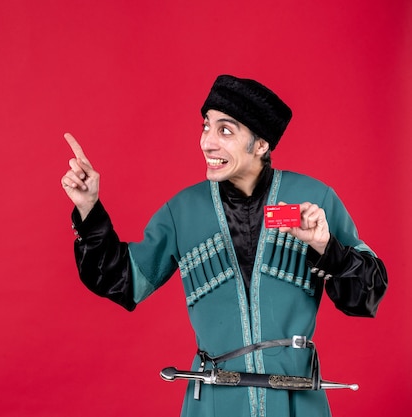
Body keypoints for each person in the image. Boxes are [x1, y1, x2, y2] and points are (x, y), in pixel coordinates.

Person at [60, 74, 387, 417]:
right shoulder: (182, 211)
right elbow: (124, 282)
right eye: (206, 127)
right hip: (214, 401)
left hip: (296, 398)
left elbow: (366, 295)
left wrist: (327, 247)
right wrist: (88, 209)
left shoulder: (313, 199)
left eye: (225, 130)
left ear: (261, 144)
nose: (207, 142)